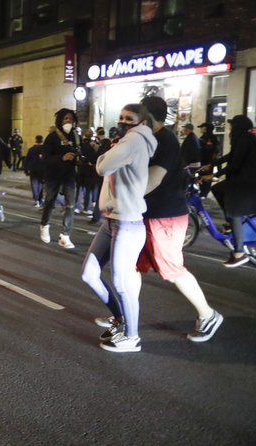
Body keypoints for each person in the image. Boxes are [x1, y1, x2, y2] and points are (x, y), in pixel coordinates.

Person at [113, 95, 224, 343]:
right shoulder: (145, 138)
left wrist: (120, 196)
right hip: (145, 214)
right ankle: (126, 317)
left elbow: (153, 179)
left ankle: (208, 315)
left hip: (165, 216)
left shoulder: (165, 140)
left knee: (172, 269)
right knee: (132, 265)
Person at [81, 103, 157, 353]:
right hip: (112, 219)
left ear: (142, 122)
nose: (123, 122)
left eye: (130, 118)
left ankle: (132, 337)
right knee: (89, 273)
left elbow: (102, 166)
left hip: (128, 222)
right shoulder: (125, 142)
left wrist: (107, 153)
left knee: (122, 282)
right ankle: (121, 320)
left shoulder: (134, 141)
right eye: (121, 117)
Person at [201, 115, 256, 267]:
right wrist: (213, 164)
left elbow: (234, 164)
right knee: (217, 189)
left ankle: (239, 252)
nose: (229, 129)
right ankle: (229, 223)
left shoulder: (243, 140)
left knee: (234, 211)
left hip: (248, 185)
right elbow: (231, 156)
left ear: (237, 127)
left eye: (231, 126)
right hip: (246, 182)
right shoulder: (244, 138)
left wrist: (214, 174)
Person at [39, 108, 82, 249]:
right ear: (60, 121)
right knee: (50, 201)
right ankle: (44, 225)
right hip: (53, 175)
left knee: (70, 205)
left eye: (71, 119)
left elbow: (81, 152)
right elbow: (45, 159)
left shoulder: (76, 136)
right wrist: (61, 158)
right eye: (65, 119)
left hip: (69, 175)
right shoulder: (52, 138)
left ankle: (65, 235)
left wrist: (78, 159)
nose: (68, 121)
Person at [88, 128, 111, 225]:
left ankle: (96, 216)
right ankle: (98, 216)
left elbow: (98, 157)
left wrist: (93, 163)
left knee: (100, 195)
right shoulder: (110, 145)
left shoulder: (104, 145)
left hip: (102, 175)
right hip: (105, 175)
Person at [75, 129, 99, 215]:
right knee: (88, 190)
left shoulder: (79, 145)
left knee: (79, 189)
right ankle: (87, 208)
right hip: (89, 170)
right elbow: (96, 156)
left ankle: (77, 207)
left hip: (80, 169)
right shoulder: (94, 145)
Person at [197, 122, 220, 198]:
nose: (201, 129)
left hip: (208, 162)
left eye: (202, 127)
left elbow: (215, 151)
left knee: (207, 178)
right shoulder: (203, 137)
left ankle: (204, 193)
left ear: (206, 128)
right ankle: (202, 192)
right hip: (202, 161)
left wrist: (211, 162)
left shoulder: (212, 138)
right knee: (201, 176)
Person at [24, 135, 46, 208]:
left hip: (33, 170)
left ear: (35, 140)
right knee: (40, 186)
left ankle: (37, 200)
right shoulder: (44, 149)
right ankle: (40, 199)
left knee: (34, 186)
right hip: (42, 170)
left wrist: (26, 170)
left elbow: (26, 160)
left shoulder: (31, 149)